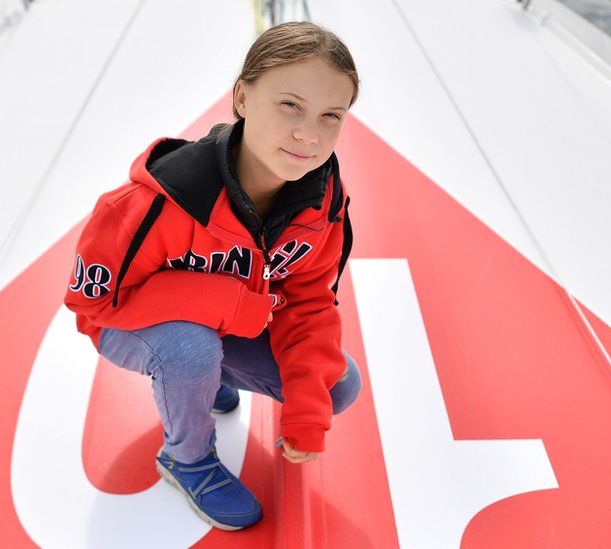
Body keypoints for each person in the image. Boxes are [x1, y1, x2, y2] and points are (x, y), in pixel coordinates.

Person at [63, 20, 361, 531]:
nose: (309, 135)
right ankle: (187, 457)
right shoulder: (151, 204)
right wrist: (224, 305)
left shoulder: (322, 203)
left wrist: (306, 414)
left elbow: (309, 303)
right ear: (242, 97)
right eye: (290, 104)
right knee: (189, 349)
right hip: (128, 324)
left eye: (330, 115)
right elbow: (93, 306)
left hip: (229, 324)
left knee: (336, 387)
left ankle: (209, 375)